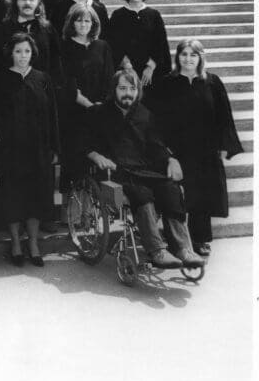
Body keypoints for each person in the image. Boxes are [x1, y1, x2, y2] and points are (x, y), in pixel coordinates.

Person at [83, 69, 205, 268]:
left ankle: (182, 248)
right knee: (141, 192)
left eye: (132, 88)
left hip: (144, 169)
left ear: (138, 90)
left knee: (170, 189)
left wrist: (170, 160)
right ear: (114, 90)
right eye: (122, 88)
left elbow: (156, 145)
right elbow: (83, 143)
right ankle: (156, 250)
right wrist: (96, 156)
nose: (128, 93)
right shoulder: (99, 112)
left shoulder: (144, 114)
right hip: (114, 171)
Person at [153, 40, 243, 256]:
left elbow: (224, 116)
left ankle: (200, 239)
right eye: (184, 54)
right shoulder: (167, 83)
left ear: (201, 57)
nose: (188, 59)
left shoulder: (212, 82)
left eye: (193, 55)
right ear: (178, 57)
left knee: (202, 196)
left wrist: (224, 145)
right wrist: (165, 151)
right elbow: (157, 119)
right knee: (180, 195)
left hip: (206, 149)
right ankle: (177, 239)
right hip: (178, 149)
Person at [0, 33, 60, 268]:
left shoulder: (42, 78)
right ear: (11, 53)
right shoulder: (0, 80)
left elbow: (52, 116)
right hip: (11, 149)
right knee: (13, 196)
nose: (22, 56)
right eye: (18, 51)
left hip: (38, 148)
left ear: (33, 54)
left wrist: (54, 147)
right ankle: (16, 244)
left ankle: (33, 243)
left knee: (36, 195)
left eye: (27, 51)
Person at [58, 3, 114, 189]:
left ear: (94, 23)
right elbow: (66, 80)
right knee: (77, 162)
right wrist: (87, 104)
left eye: (87, 20)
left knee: (100, 160)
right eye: (79, 20)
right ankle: (74, 213)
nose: (83, 24)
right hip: (75, 110)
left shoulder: (102, 46)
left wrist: (102, 104)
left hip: (100, 109)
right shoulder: (64, 46)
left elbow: (109, 76)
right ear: (72, 23)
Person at [106, 0, 171, 88]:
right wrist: (128, 67)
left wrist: (151, 66)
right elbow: (114, 44)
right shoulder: (118, 15)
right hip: (126, 69)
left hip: (151, 70)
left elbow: (161, 43)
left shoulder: (154, 15)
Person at [0, 0, 65, 85]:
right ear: (15, 1)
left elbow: (55, 62)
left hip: (42, 87)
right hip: (12, 87)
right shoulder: (5, 28)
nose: (27, 3)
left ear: (38, 2)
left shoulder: (47, 29)